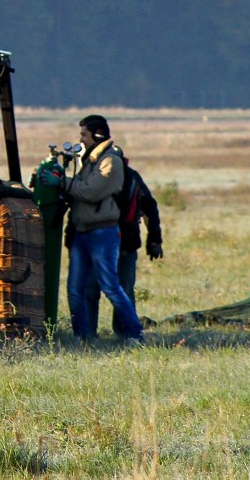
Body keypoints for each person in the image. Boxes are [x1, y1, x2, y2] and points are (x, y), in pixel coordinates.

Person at [39, 114, 144, 343]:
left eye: (84, 135)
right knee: (75, 289)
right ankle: (82, 336)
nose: (82, 139)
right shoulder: (90, 160)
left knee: (110, 286)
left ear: (97, 135)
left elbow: (91, 191)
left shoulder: (109, 161)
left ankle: (134, 333)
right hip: (82, 232)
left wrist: (62, 183)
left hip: (102, 233)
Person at [81, 146, 164, 337]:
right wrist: (154, 240)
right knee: (121, 290)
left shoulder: (95, 177)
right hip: (123, 243)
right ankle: (125, 334)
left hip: (106, 244)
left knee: (92, 291)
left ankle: (88, 334)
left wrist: (154, 240)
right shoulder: (130, 176)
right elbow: (150, 208)